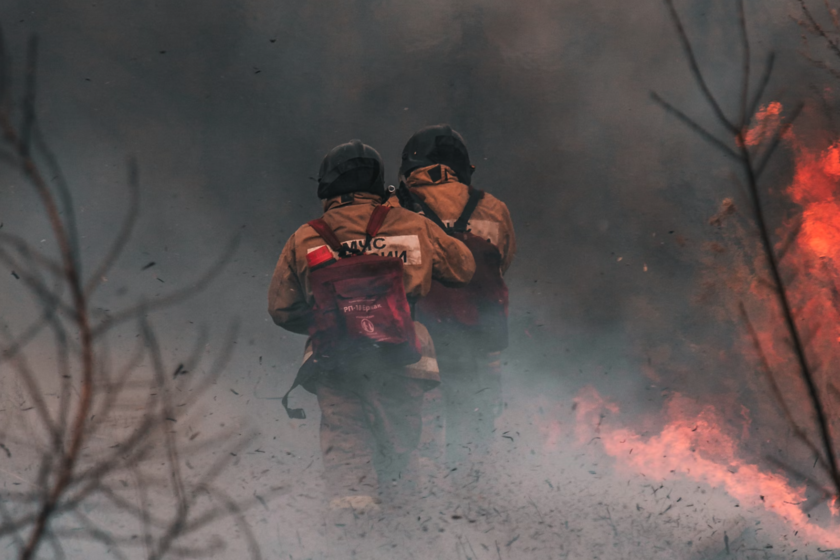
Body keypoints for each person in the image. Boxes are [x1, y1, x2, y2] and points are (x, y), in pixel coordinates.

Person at [268, 140, 475, 513]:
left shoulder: (305, 237)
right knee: (408, 446)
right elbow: (463, 268)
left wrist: (334, 319)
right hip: (407, 357)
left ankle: (356, 534)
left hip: (336, 360)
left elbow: (281, 309)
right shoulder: (413, 225)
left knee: (347, 444)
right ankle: (416, 531)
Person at [396, 124, 516, 480]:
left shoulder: (391, 209)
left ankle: (419, 515)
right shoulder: (493, 209)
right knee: (474, 434)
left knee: (418, 436)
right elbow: (502, 264)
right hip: (475, 339)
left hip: (413, 340)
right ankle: (473, 514)